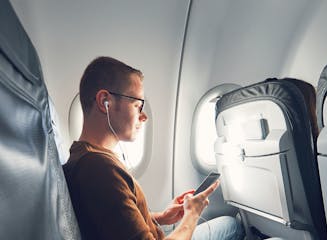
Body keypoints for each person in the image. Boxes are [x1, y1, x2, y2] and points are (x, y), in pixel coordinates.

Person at [63, 56, 244, 240]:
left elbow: (115, 220)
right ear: (105, 102)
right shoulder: (99, 169)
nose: (144, 117)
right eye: (138, 105)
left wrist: (161, 217)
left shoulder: (87, 156)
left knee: (230, 224)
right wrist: (192, 215)